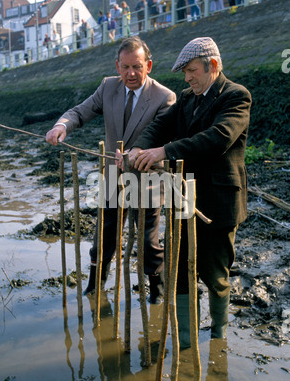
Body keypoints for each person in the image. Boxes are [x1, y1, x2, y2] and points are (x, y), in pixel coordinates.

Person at [118, 37, 251, 347]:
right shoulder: (187, 99)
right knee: (178, 270)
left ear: (213, 66)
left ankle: (218, 334)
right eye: (185, 73)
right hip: (183, 198)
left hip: (219, 202)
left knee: (215, 273)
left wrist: (163, 152)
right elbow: (161, 125)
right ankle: (186, 341)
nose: (188, 78)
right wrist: (139, 147)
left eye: (192, 71)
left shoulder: (236, 97)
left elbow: (216, 139)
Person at [45, 36, 176, 303]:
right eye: (125, 67)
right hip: (113, 177)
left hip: (148, 178)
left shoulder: (164, 97)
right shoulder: (107, 87)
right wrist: (62, 126)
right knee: (104, 235)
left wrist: (134, 154)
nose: (131, 73)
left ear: (148, 65)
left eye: (137, 67)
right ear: (117, 66)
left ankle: (158, 294)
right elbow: (81, 111)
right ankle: (94, 288)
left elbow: (159, 134)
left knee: (149, 241)